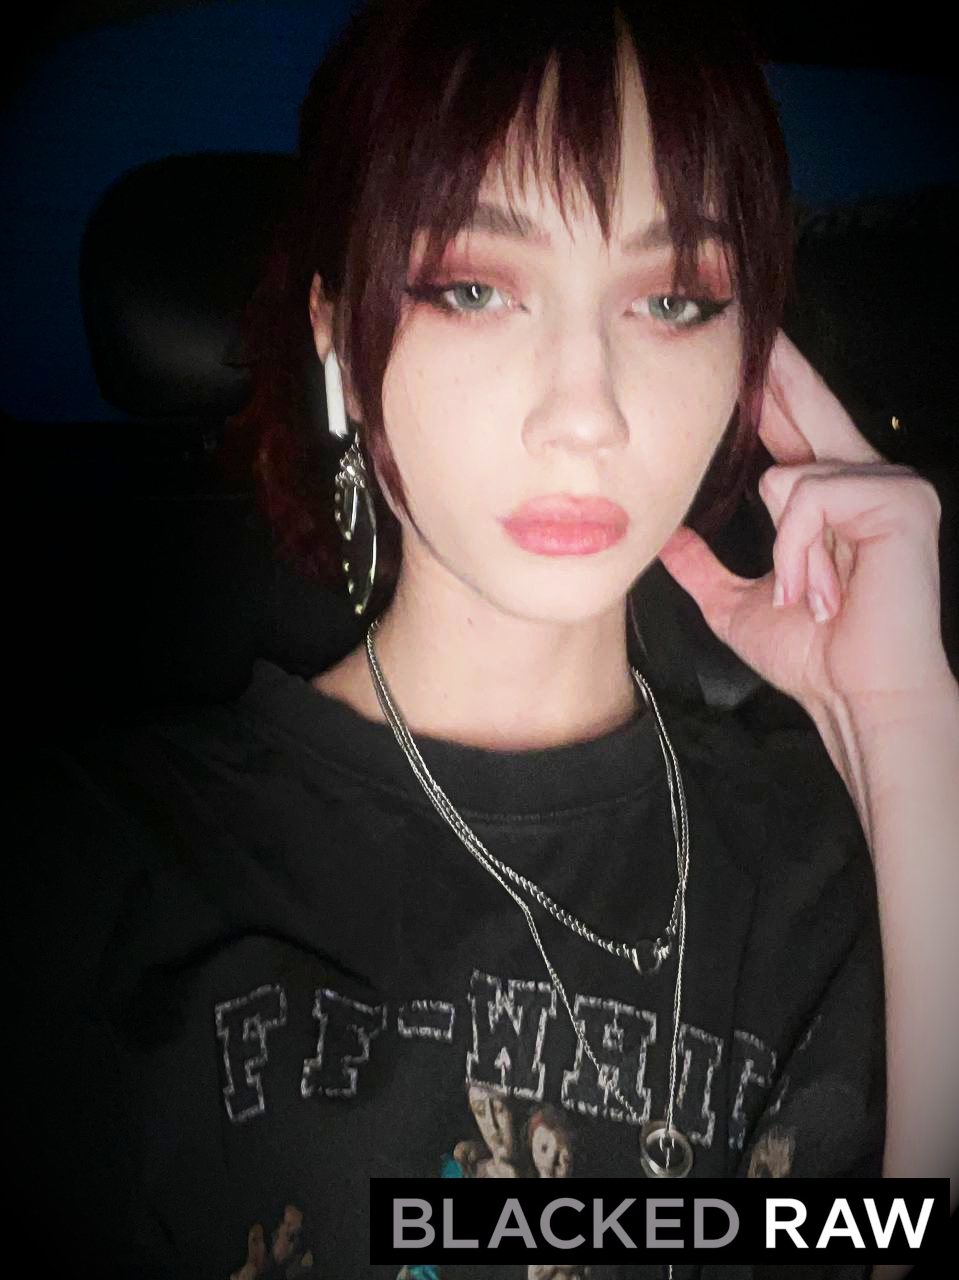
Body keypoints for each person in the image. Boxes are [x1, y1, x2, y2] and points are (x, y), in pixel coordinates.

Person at [23, 1, 958, 1278]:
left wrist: (908, 736)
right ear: (335, 331)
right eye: (474, 287)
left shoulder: (864, 861)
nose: (585, 411)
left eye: (671, 300)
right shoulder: (94, 873)